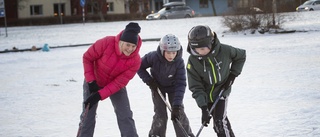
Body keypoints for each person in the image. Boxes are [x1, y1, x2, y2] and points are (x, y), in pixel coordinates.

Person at [78, 22, 142, 137]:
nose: (130, 49)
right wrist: (91, 81)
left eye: (133, 46)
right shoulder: (107, 43)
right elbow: (87, 57)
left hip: (115, 86)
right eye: (128, 45)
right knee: (88, 114)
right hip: (93, 80)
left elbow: (119, 83)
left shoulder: (136, 61)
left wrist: (99, 95)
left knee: (125, 114)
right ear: (121, 41)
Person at [186, 25, 246, 137]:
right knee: (219, 124)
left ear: (211, 43)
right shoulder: (193, 61)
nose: (199, 52)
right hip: (206, 95)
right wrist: (203, 107)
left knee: (219, 122)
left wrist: (233, 75)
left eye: (202, 49)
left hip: (222, 91)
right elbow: (196, 86)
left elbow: (241, 55)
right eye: (195, 49)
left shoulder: (224, 50)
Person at [137, 34, 195, 137]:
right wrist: (149, 81)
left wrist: (176, 105)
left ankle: (186, 135)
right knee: (160, 114)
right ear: (162, 50)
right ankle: (156, 135)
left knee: (178, 113)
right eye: (168, 52)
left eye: (174, 52)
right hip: (157, 87)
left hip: (173, 88)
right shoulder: (153, 57)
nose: (171, 55)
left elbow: (181, 83)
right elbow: (139, 66)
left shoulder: (179, 62)